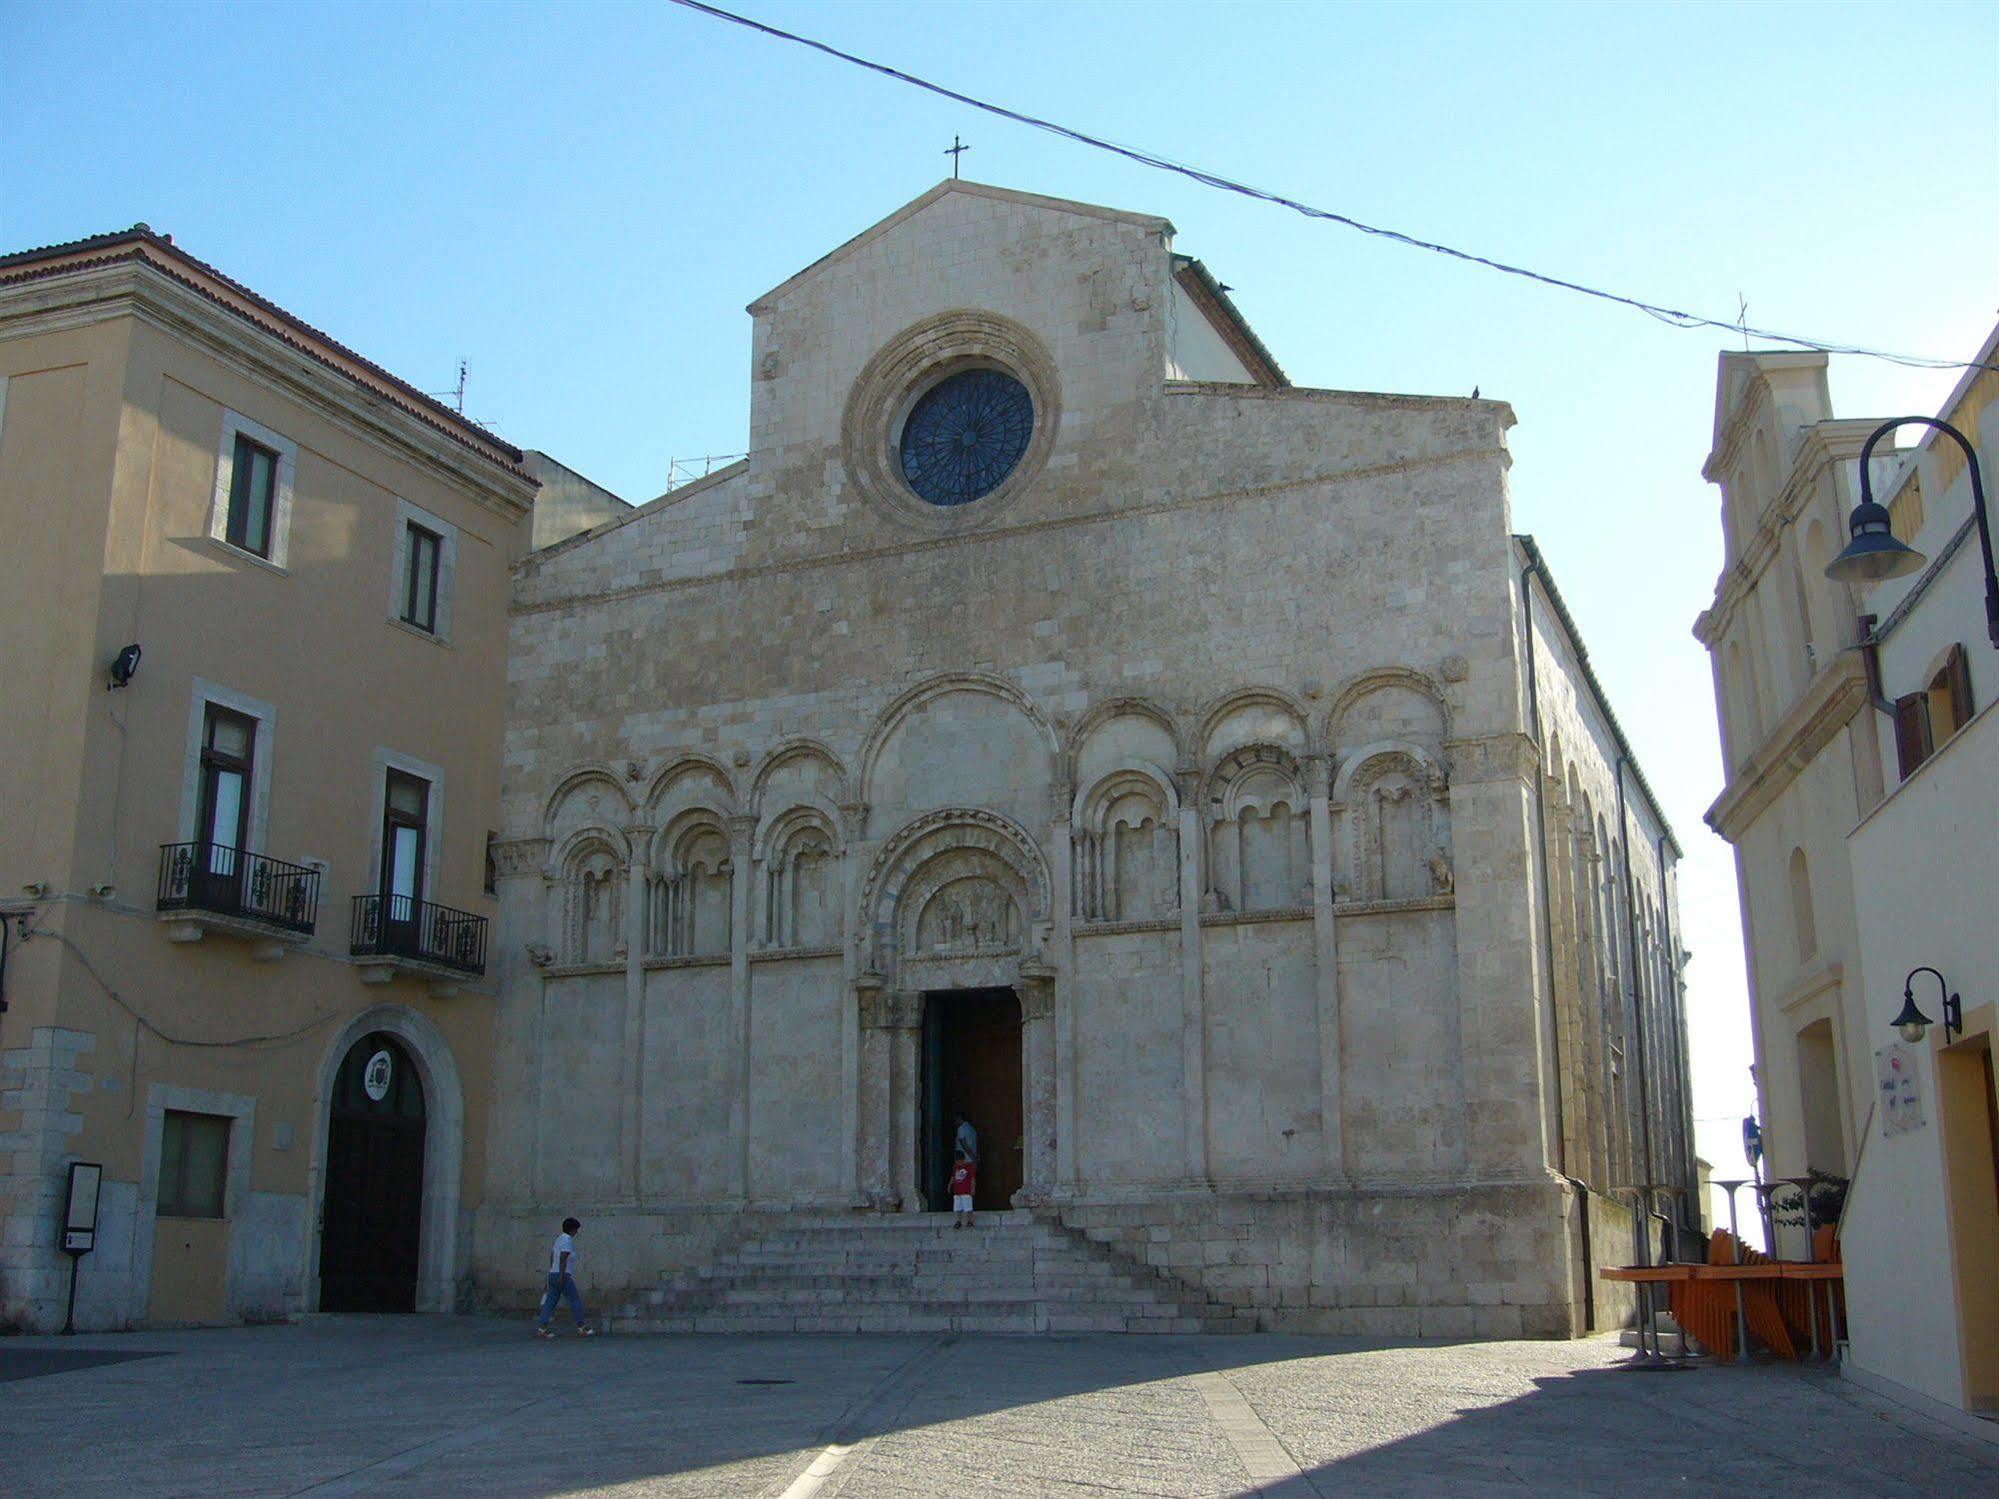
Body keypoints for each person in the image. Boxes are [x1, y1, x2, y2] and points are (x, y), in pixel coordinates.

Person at [536, 1216, 594, 1337]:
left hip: (553, 1273)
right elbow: (564, 1256)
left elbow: (552, 1255)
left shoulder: (559, 1239)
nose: (577, 1232)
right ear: (572, 1229)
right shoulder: (567, 1240)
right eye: (576, 1229)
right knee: (574, 1299)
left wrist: (552, 1270)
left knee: (550, 1301)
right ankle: (581, 1326)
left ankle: (542, 1328)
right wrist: (561, 1274)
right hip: (563, 1274)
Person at [949, 1149, 977, 1229]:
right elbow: (953, 1177)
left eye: (960, 1161)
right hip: (957, 1191)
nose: (959, 1163)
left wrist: (973, 1188)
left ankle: (970, 1220)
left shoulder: (968, 1167)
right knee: (958, 1207)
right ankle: (958, 1221)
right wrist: (949, 1185)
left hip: (966, 1191)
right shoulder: (955, 1167)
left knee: (968, 1207)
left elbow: (972, 1179)